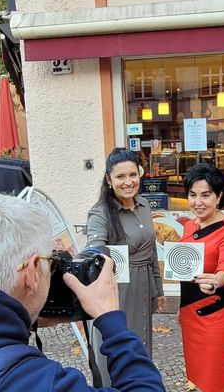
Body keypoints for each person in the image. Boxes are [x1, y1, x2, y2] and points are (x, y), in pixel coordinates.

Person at [0, 193, 165, 392]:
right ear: (32, 272)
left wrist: (21, 319)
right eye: (52, 262)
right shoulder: (25, 379)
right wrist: (112, 322)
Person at [86, 148, 166, 383]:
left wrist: (158, 289)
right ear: (109, 180)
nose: (128, 182)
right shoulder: (100, 213)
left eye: (133, 175)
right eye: (120, 177)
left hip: (144, 285)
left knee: (140, 347)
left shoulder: (144, 205)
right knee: (116, 346)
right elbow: (94, 248)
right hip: (118, 289)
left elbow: (150, 251)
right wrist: (98, 254)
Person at [178, 162, 224, 392]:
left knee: (217, 379)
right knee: (199, 375)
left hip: (217, 312)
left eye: (205, 195)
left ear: (219, 196)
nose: (198, 202)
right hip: (191, 311)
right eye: (193, 195)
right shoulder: (188, 226)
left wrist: (218, 279)